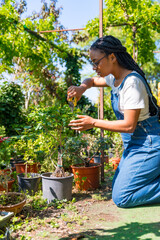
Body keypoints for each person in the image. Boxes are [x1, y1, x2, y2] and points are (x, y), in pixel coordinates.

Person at [67, 35, 160, 208]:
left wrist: (93, 122)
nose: (94, 67)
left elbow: (129, 125)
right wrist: (82, 88)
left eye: (97, 62)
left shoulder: (131, 82)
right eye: (92, 63)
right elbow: (91, 81)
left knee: (122, 197)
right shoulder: (114, 78)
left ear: (112, 57)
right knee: (118, 185)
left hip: (149, 143)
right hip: (135, 145)